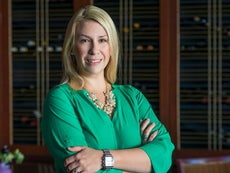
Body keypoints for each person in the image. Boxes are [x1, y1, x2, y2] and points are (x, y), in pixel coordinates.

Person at [41, 5, 174, 173]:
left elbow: (164, 154)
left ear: (111, 47)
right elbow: (80, 168)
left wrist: (102, 158)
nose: (94, 50)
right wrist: (141, 163)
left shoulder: (133, 97)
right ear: (72, 48)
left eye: (102, 40)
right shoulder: (60, 99)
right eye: (84, 40)